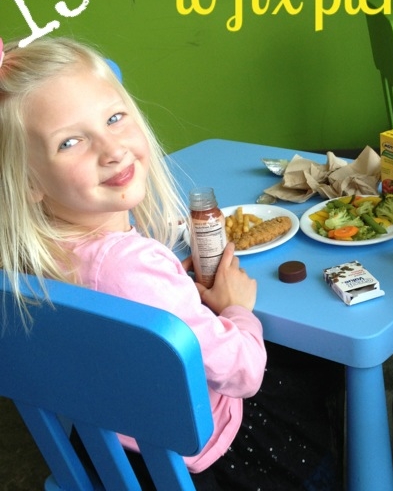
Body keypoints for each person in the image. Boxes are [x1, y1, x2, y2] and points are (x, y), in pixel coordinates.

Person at [0, 36, 343, 490]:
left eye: (114, 118)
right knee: (324, 371)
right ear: (27, 181)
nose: (112, 149)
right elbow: (243, 372)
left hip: (108, 445)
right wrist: (237, 308)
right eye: (70, 142)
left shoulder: (25, 255)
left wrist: (166, 291)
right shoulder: (128, 267)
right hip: (197, 454)